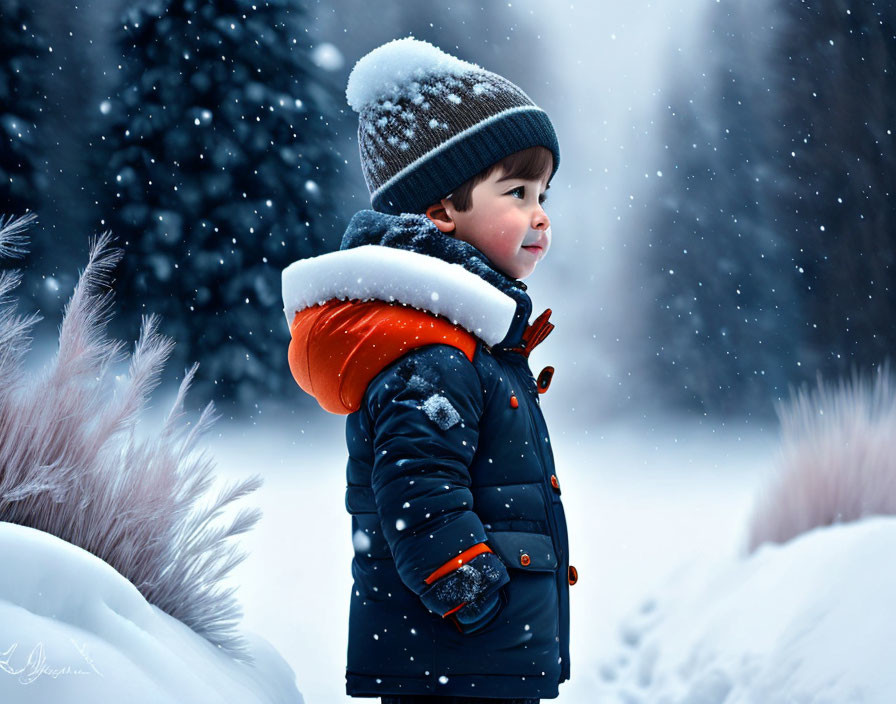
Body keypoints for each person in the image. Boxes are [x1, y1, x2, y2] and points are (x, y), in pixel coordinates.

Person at [281, 37, 574, 703]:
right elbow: (414, 480)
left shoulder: (461, 333)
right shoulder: (432, 352)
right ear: (442, 210)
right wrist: (468, 584)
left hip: (469, 658)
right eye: (518, 191)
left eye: (544, 192)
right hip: (458, 656)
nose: (540, 214)